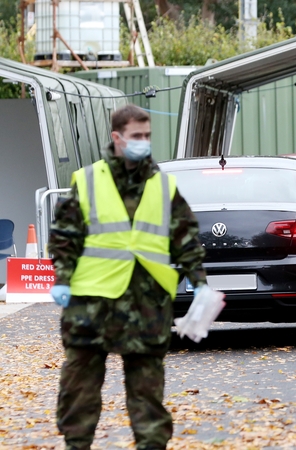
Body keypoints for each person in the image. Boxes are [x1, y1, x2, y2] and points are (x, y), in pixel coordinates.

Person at [48, 104, 208, 450]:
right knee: (79, 387)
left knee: (147, 393)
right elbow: (65, 236)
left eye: (148, 136)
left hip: (146, 303)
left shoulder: (163, 186)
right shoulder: (89, 180)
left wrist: (199, 280)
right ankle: (77, 444)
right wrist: (62, 278)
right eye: (137, 136)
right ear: (117, 138)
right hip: (92, 303)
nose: (144, 142)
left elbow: (185, 236)